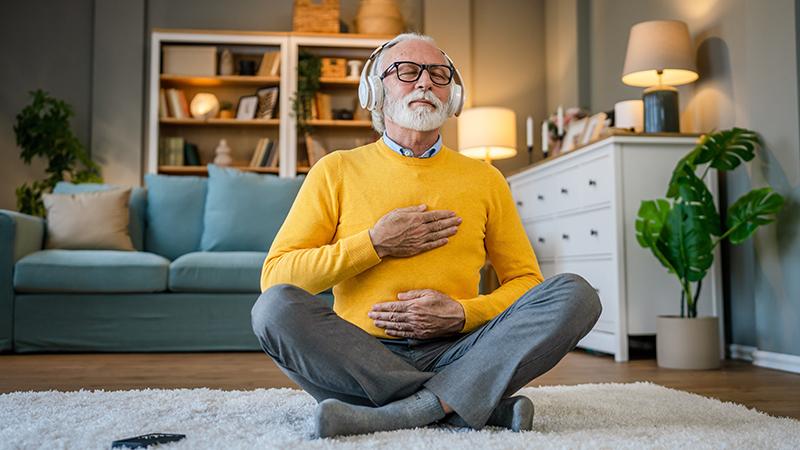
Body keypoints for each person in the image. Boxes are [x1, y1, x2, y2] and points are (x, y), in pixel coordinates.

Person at [251, 32, 601, 439]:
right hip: (361, 354)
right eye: (407, 71)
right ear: (374, 91)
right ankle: (462, 401)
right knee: (273, 309)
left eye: (438, 74)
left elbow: (525, 283)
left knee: (577, 294)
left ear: (452, 95)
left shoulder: (486, 180)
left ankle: (399, 411)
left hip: (459, 349)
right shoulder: (336, 170)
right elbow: (276, 277)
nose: (424, 82)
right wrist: (375, 244)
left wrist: (462, 313)